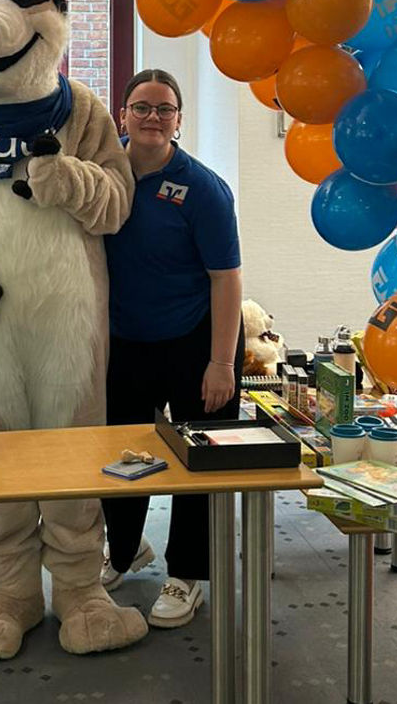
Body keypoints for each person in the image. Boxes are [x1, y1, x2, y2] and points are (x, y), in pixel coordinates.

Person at [100, 68, 244, 629]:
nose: (152, 117)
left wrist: (222, 363)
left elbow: (226, 278)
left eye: (164, 108)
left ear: (179, 119)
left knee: (197, 464)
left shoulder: (202, 188)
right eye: (142, 107)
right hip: (122, 343)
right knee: (116, 457)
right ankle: (124, 549)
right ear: (124, 116)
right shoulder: (103, 175)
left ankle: (188, 574)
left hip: (192, 342)